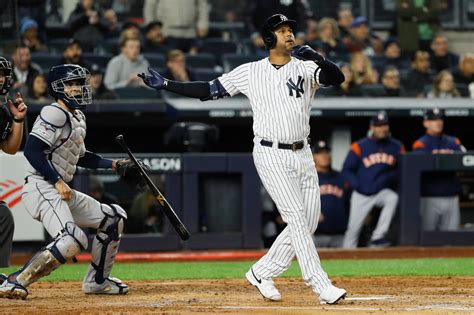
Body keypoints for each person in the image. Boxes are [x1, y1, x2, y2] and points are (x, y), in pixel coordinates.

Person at [138, 13, 347, 304]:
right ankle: (320, 284)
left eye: (290, 30)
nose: (289, 34)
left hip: (304, 152)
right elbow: (209, 90)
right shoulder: (250, 71)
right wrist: (168, 85)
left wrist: (319, 57)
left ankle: (262, 271)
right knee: (297, 219)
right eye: (282, 30)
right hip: (270, 152)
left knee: (308, 221)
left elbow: (337, 78)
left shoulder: (305, 67)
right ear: (269, 38)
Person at [0, 64, 131, 300]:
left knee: (114, 218)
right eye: (71, 84)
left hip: (60, 189)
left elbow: (81, 157)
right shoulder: (54, 112)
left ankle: (97, 282)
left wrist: (115, 165)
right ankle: (14, 281)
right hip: (41, 186)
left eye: (79, 84)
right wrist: (57, 180)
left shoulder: (77, 116)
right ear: (58, 88)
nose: (78, 88)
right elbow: (32, 151)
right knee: (72, 239)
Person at [342, 112, 405, 248]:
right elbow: (347, 170)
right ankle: (346, 255)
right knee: (353, 230)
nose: (382, 128)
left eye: (385, 125)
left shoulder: (396, 146)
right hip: (361, 194)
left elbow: (402, 170)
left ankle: (378, 236)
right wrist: (358, 186)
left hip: (381, 192)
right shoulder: (359, 146)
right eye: (378, 125)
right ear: (372, 127)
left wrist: (388, 178)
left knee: (392, 198)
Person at [412, 108, 466, 231]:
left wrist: (440, 159)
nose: (438, 122)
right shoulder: (420, 144)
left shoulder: (454, 141)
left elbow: (465, 159)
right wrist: (448, 159)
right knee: (427, 238)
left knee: (451, 238)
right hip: (429, 197)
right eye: (433, 120)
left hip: (451, 196)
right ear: (426, 123)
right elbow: (425, 167)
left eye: (440, 119)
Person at [0, 56, 28, 271]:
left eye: (2, 75)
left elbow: (10, 148)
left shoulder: (3, 112)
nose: (0, 79)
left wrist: (18, 120)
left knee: (3, 217)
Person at [312, 141, 350, 248]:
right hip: (316, 235)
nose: (324, 156)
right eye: (319, 153)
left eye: (326, 152)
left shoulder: (341, 177)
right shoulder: (308, 178)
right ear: (313, 157)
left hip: (340, 234)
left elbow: (351, 202)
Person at [143, 0, 210, 53]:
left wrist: (203, 24)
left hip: (190, 33)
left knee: (191, 62)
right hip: (166, 33)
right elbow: (150, 6)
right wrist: (151, 29)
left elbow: (202, 6)